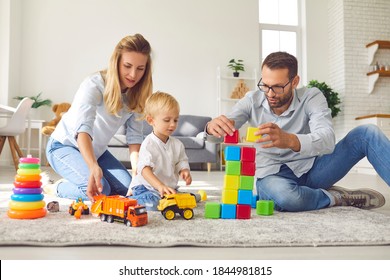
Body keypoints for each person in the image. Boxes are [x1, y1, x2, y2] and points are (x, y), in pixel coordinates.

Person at [206, 51, 390, 212]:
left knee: (367, 133)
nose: (269, 93)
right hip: (272, 175)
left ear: (295, 81)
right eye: (265, 85)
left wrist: (291, 140)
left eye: (277, 87)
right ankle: (336, 197)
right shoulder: (251, 100)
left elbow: (327, 140)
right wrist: (210, 129)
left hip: (314, 170)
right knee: (287, 198)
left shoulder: (311, 96)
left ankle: (315, 194)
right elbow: (219, 135)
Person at [45, 33, 153, 202]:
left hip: (97, 152)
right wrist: (93, 166)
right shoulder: (94, 85)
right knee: (102, 190)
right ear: (116, 62)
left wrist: (137, 174)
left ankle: (81, 176)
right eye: (127, 66)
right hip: (63, 146)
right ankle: (54, 187)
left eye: (140, 69)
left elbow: (135, 138)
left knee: (127, 190)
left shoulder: (138, 95)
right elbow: (83, 130)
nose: (133, 74)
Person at [127, 91, 192, 210]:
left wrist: (184, 170)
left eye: (176, 120)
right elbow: (144, 170)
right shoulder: (148, 144)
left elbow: (181, 161)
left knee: (184, 201)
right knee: (153, 205)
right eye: (167, 120)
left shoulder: (177, 144)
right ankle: (130, 199)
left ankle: (170, 197)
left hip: (166, 188)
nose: (172, 124)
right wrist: (159, 186)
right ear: (151, 120)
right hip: (146, 188)